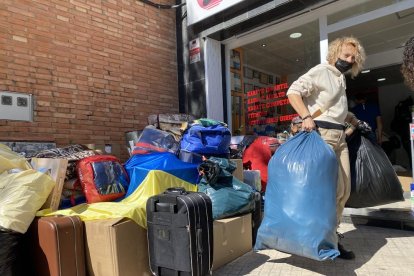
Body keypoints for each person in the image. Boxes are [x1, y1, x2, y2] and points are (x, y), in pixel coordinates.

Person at [287, 36, 366, 260]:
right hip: (323, 135)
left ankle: (331, 236)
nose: (349, 60)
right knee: (329, 191)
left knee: (343, 191)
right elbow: (293, 92)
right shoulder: (322, 70)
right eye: (345, 56)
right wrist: (306, 116)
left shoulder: (341, 78)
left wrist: (352, 117)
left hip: (340, 136)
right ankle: (318, 238)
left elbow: (334, 108)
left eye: (353, 57)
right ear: (334, 54)